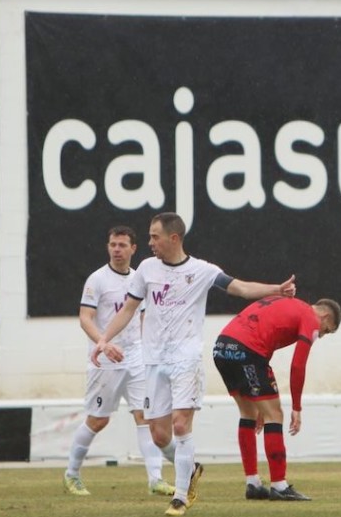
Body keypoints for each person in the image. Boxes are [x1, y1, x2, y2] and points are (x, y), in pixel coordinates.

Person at [92, 212, 297, 517]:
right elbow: (129, 309)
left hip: (185, 359)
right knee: (160, 435)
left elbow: (239, 287)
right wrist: (103, 339)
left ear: (173, 238)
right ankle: (191, 470)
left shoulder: (202, 270)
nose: (150, 243)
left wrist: (275, 290)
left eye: (154, 237)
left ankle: (179, 496)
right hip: (154, 361)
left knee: (179, 424)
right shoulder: (146, 269)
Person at [64, 225, 175, 497]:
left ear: (133, 249)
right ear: (108, 247)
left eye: (122, 245)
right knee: (98, 421)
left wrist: (153, 348)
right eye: (113, 244)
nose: (117, 250)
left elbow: (142, 318)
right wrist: (104, 342)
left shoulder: (139, 279)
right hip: (105, 360)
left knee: (145, 417)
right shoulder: (97, 280)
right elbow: (85, 318)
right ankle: (71, 473)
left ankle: (155, 479)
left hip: (135, 357)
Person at [212, 295, 341, 501]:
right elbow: (298, 365)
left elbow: (266, 333)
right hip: (248, 350)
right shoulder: (310, 318)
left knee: (249, 413)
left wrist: (259, 396)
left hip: (222, 347)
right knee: (275, 414)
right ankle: (279, 485)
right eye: (326, 330)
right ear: (325, 316)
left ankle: (253, 483)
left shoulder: (291, 304)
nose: (322, 335)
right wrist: (297, 407)